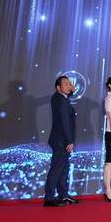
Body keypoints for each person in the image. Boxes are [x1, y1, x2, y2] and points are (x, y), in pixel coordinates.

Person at [44, 76, 78, 207]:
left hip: (61, 139)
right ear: (58, 88)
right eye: (65, 84)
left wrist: (71, 92)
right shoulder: (60, 99)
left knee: (63, 169)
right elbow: (64, 121)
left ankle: (63, 195)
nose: (69, 85)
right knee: (57, 169)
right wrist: (69, 140)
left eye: (69, 83)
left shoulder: (60, 98)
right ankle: (49, 198)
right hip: (61, 140)